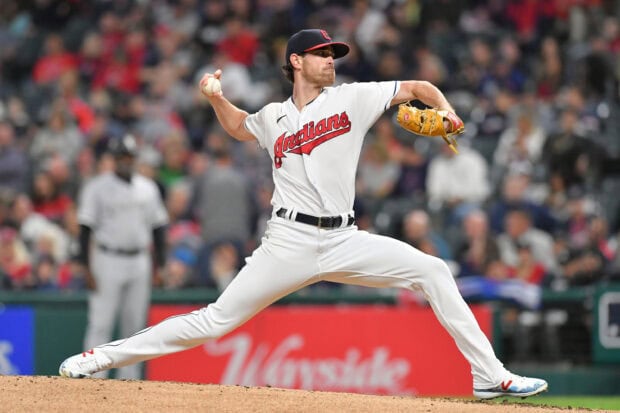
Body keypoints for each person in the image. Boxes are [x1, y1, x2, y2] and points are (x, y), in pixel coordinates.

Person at [59, 29, 547, 399]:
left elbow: (417, 86)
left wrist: (449, 112)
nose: (331, 60)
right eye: (322, 54)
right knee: (214, 321)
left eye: (334, 54)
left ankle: (490, 377)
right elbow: (239, 128)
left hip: (344, 238)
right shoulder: (273, 116)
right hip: (287, 242)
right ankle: (100, 356)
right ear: (296, 61)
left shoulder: (353, 98)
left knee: (434, 271)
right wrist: (215, 99)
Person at [70, 134, 169, 379]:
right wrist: (86, 266)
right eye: (122, 156)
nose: (126, 161)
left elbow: (159, 228)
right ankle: (91, 377)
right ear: (113, 159)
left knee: (134, 326)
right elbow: (85, 228)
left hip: (139, 260)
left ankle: (130, 382)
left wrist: (161, 265)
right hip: (107, 258)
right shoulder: (97, 186)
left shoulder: (148, 187)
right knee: (101, 322)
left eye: (130, 157)